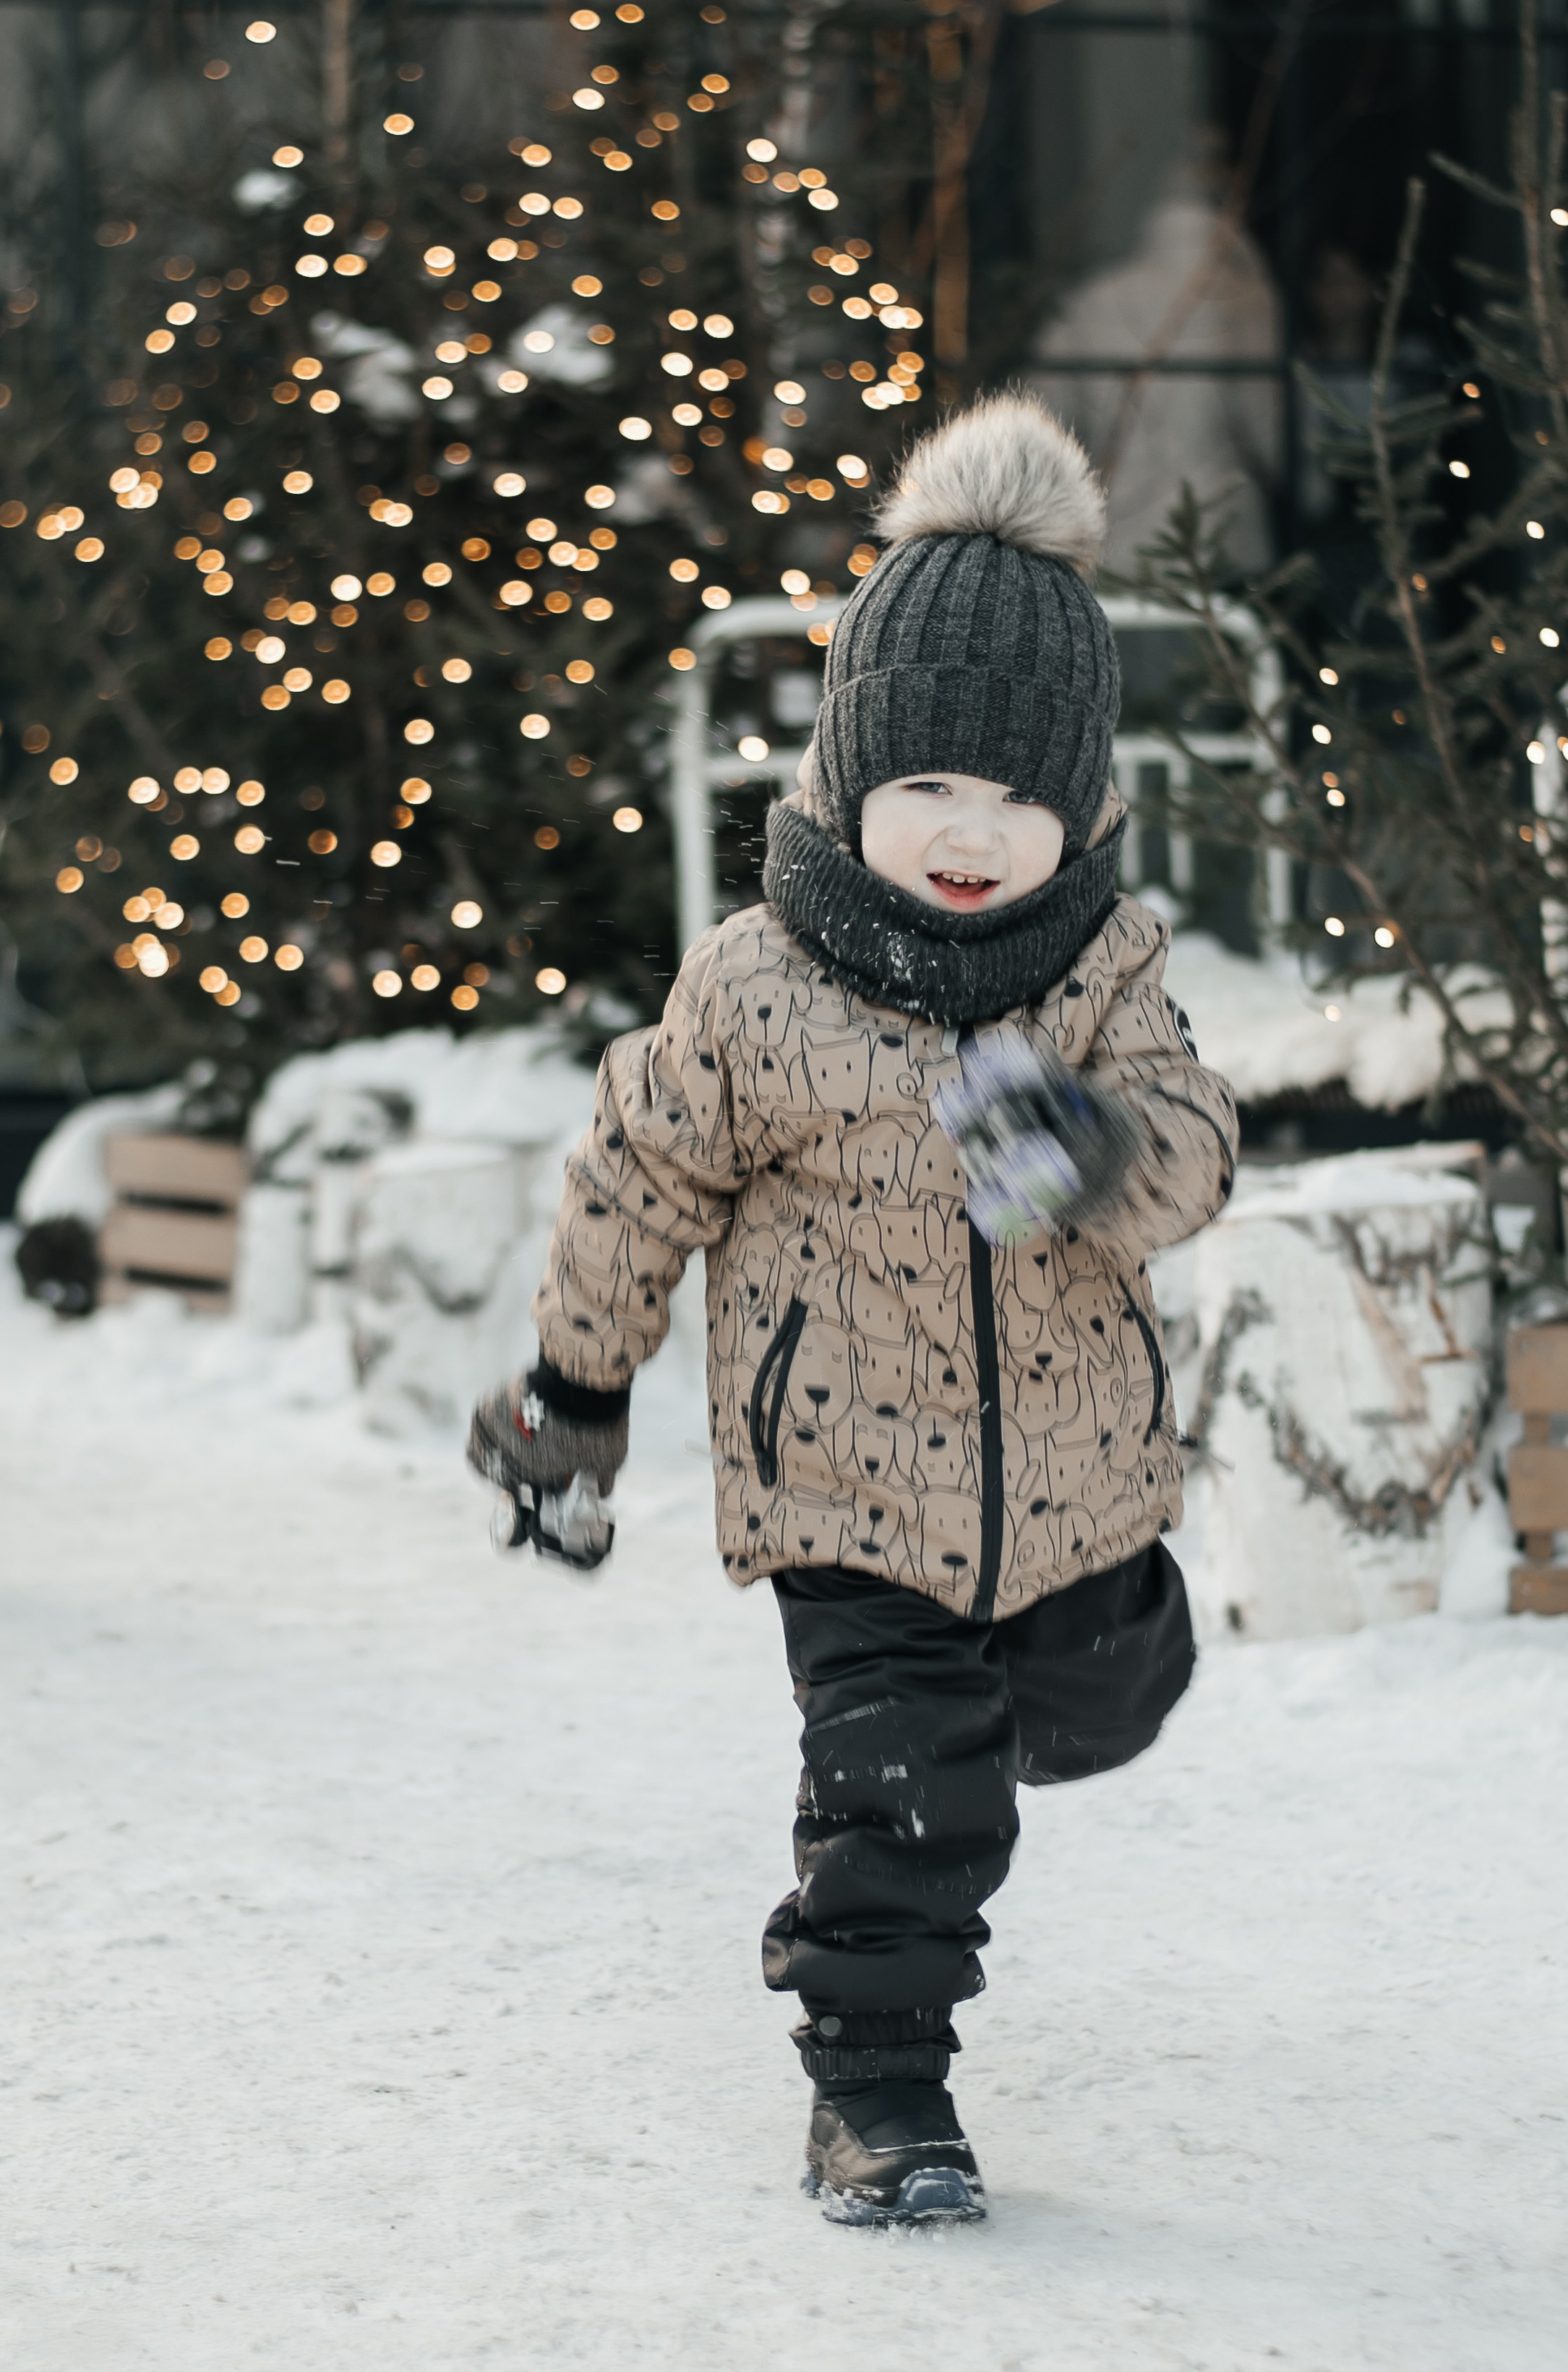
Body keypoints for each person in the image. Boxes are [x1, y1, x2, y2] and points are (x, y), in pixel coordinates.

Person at [468, 393, 1240, 2227]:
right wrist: (574, 1389)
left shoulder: (1102, 969)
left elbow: (1195, 1148)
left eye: (1019, 798)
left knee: (1115, 1690)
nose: (972, 833)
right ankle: (880, 2091)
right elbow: (636, 1181)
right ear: (850, 771)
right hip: (843, 1487)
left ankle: (1026, 1705)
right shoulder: (754, 986)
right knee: (904, 1785)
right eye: (930, 788)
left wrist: (1099, 1143)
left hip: (1073, 1483)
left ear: (1080, 806)